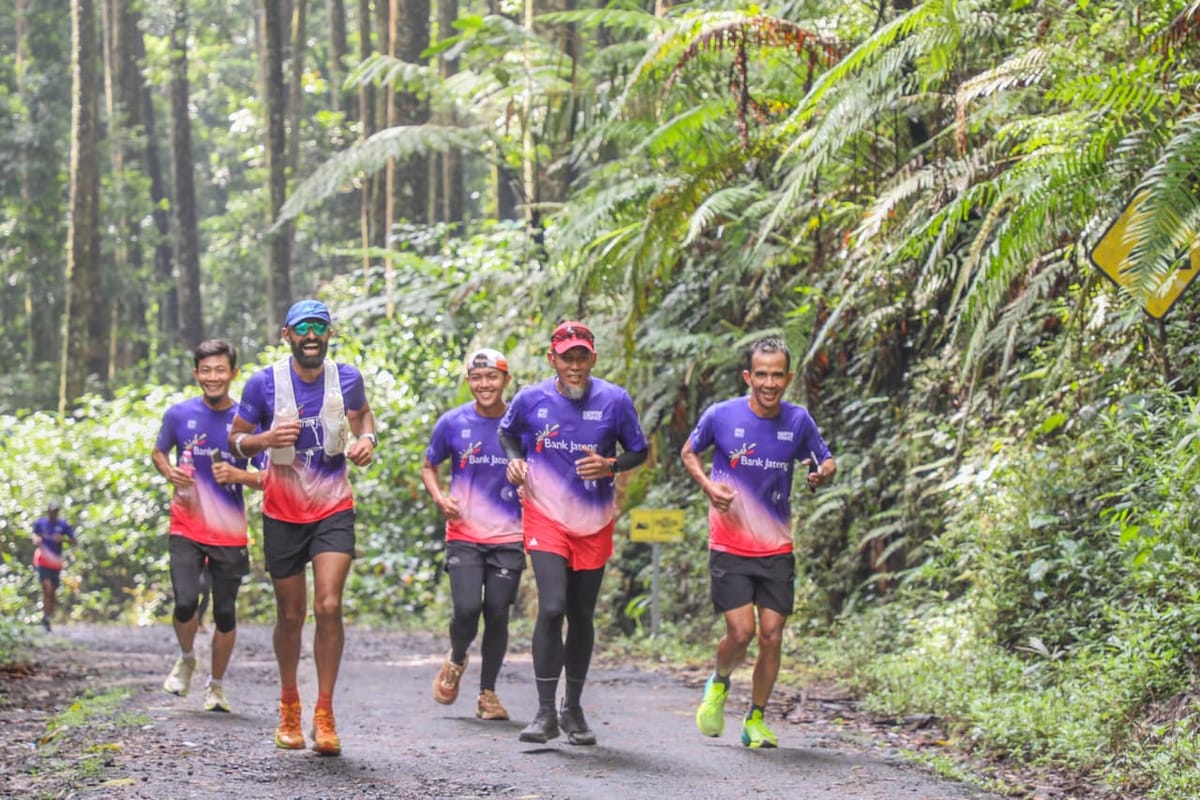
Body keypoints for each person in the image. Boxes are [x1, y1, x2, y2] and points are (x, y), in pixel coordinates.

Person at [229, 299, 376, 757]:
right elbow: (235, 442)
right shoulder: (263, 383)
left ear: (329, 334)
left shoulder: (346, 378)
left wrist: (367, 439)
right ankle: (289, 702)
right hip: (283, 512)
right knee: (291, 616)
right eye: (302, 329)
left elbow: (362, 416)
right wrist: (264, 440)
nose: (311, 335)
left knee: (329, 605)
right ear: (286, 334)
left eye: (320, 328)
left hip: (333, 508)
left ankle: (325, 713)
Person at [680, 336, 836, 748]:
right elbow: (689, 453)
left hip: (776, 546)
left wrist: (822, 473)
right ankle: (719, 681)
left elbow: (825, 458)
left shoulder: (798, 420)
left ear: (788, 377)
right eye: (761, 374)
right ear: (749, 376)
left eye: (777, 375)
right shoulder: (721, 415)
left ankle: (756, 719)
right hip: (729, 544)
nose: (769, 383)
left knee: (772, 634)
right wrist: (708, 486)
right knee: (741, 632)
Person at [498, 321, 648, 745]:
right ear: (553, 360)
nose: (575, 366)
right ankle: (545, 711)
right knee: (552, 607)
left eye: (582, 357)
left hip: (593, 520)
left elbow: (640, 449)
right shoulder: (531, 400)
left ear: (593, 359)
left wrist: (611, 465)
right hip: (544, 515)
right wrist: (515, 462)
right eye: (568, 358)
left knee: (581, 614)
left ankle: (573, 708)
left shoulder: (615, 401)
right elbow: (507, 433)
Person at [152, 339, 263, 713]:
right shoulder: (179, 414)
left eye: (220, 370)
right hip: (185, 524)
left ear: (233, 373)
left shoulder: (248, 422)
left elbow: (272, 476)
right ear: (196, 373)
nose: (212, 377)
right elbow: (159, 451)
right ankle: (186, 658)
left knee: (225, 612)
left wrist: (238, 474)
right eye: (206, 370)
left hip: (229, 531)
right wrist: (168, 472)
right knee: (185, 602)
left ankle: (216, 687)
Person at [422, 348, 524, 721]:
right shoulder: (452, 422)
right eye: (477, 378)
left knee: (497, 613)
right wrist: (439, 498)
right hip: (463, 533)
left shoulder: (521, 424)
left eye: (492, 377)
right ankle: (457, 657)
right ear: (469, 382)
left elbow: (542, 467)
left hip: (509, 535)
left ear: (505, 380)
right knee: (467, 609)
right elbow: (429, 466)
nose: (485, 385)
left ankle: (488, 694)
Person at [32, 498, 76, 632]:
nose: (53, 514)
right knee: (47, 588)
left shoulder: (63, 525)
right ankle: (45, 616)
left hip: (56, 563)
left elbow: (74, 540)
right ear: (48, 511)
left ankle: (48, 616)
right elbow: (34, 535)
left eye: (56, 511)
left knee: (53, 592)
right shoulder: (41, 523)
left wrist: (63, 539)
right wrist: (36, 539)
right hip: (43, 560)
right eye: (52, 511)